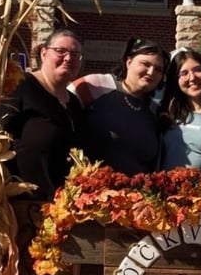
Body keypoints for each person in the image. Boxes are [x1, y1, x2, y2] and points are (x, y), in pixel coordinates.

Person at [0, 28, 84, 200]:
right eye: (61, 51)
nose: (68, 58)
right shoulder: (19, 87)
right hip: (21, 205)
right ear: (44, 53)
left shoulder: (74, 103)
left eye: (75, 54)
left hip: (61, 207)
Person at [70, 38, 170, 175]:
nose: (151, 72)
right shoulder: (95, 86)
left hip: (136, 194)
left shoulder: (154, 112)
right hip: (90, 190)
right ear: (128, 62)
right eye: (145, 64)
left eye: (158, 69)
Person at [158, 49, 201, 179]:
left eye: (197, 70)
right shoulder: (167, 113)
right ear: (176, 79)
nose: (192, 77)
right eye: (184, 73)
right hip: (166, 195)